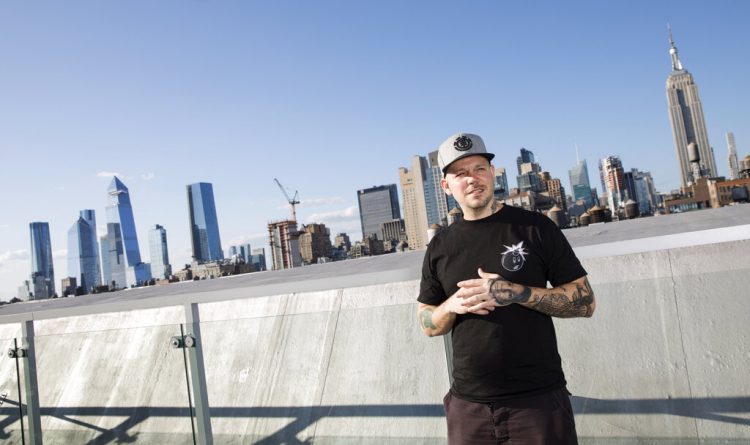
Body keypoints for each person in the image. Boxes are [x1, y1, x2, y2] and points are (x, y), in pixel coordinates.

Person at [417, 132, 596, 445]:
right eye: (460, 173)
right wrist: (452, 305)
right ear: (446, 186)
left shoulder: (535, 228)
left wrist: (514, 292)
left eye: (479, 169)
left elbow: (585, 302)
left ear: (493, 174)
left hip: (537, 404)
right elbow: (428, 323)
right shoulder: (440, 247)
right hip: (468, 408)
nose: (472, 179)